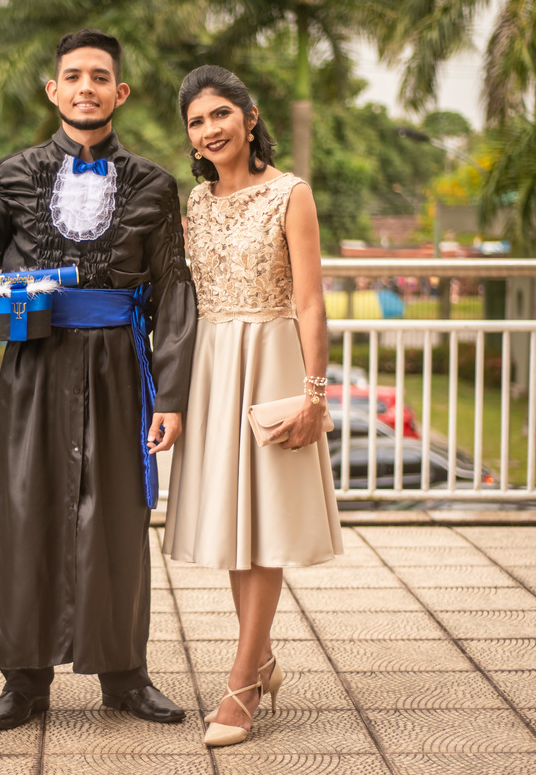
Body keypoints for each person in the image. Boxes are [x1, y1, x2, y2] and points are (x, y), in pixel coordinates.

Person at [0, 29, 197, 731]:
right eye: (72, 75)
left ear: (118, 93)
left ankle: (125, 676)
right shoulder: (12, 173)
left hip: (122, 363)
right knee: (24, 513)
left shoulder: (155, 182)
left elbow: (175, 292)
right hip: (37, 361)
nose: (85, 86)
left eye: (100, 77)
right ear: (53, 90)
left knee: (118, 519)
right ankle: (23, 682)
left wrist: (172, 397)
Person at [162, 65, 343, 747]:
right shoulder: (196, 202)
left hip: (272, 359)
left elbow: (310, 300)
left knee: (264, 523)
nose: (209, 130)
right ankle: (263, 658)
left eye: (219, 115)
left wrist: (314, 393)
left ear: (250, 115)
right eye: (196, 122)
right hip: (213, 363)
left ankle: (240, 682)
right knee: (238, 522)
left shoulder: (291, 193)